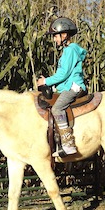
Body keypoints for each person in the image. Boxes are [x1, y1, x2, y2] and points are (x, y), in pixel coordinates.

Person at [37, 17, 87, 158]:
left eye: (55, 36)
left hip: (74, 87)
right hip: (67, 86)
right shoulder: (68, 51)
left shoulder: (70, 51)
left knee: (57, 108)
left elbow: (63, 74)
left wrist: (46, 81)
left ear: (64, 35)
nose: (54, 40)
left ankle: (68, 143)